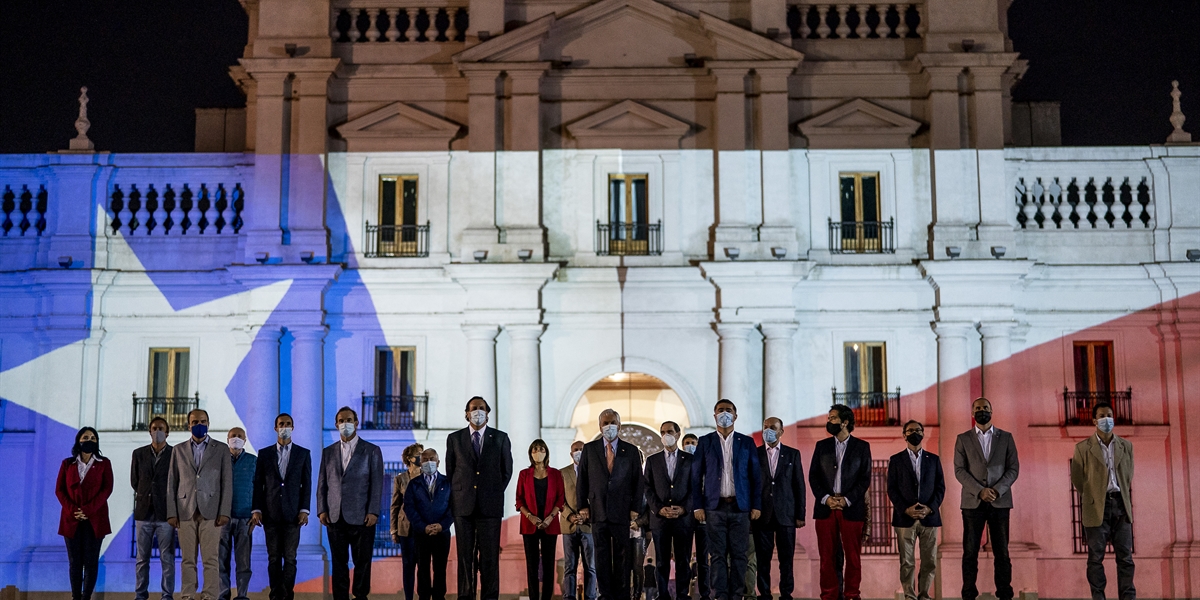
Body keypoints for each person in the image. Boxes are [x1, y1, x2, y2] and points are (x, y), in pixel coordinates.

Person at [690, 400, 761, 600]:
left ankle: (737, 594)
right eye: (720, 410)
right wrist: (697, 506)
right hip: (714, 507)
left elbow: (755, 476)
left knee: (740, 555)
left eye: (728, 410)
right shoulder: (705, 442)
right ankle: (720, 595)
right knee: (718, 555)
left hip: (741, 508)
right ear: (714, 416)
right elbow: (696, 477)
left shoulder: (746, 442)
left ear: (735, 416)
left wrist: (756, 505)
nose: (724, 414)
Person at [445, 397, 514, 600]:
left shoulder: (500, 438)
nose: (478, 412)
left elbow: (506, 471)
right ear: (466, 413)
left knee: (489, 558)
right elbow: (451, 472)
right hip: (463, 507)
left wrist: (491, 492)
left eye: (481, 408)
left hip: (490, 507)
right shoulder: (454, 439)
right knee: (465, 558)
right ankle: (465, 596)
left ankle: (490, 597)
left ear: (488, 413)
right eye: (474, 409)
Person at [953, 397, 1020, 600]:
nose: (982, 410)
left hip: (1000, 501)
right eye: (978, 408)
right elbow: (959, 470)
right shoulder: (963, 438)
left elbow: (1013, 469)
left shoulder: (1006, 437)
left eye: (986, 407)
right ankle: (968, 594)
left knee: (1002, 552)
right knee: (970, 552)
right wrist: (980, 490)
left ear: (992, 411)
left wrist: (997, 490)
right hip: (973, 502)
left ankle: (1004, 593)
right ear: (972, 413)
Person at [318, 406, 385, 600]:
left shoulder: (372, 450)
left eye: (349, 420)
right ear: (336, 424)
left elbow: (377, 484)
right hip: (334, 516)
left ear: (356, 423)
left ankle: (360, 596)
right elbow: (322, 482)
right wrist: (322, 509)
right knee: (338, 562)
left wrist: (373, 511)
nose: (345, 424)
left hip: (362, 516)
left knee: (362, 561)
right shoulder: (328, 452)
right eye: (341, 420)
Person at [578, 409, 645, 600]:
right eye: (605, 422)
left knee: (623, 557)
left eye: (613, 422)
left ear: (619, 425)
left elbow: (638, 482)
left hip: (622, 512)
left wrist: (635, 509)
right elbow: (582, 479)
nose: (609, 426)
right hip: (597, 511)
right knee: (601, 557)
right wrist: (583, 506)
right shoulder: (589, 450)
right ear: (600, 426)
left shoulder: (630, 451)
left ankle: (622, 594)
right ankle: (606, 594)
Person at [1070, 402, 1135, 600]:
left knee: (1126, 558)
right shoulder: (1082, 448)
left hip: (1121, 506)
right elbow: (1078, 479)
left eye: (1109, 415)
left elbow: (1128, 475)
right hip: (1096, 507)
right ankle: (1098, 597)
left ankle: (1128, 597)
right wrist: (1093, 496)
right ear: (1094, 420)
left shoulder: (1126, 446)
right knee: (1095, 558)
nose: (1106, 419)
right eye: (1102, 415)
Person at [167, 409, 233, 600]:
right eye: (195, 422)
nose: (199, 425)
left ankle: (210, 596)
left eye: (202, 421)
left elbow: (226, 483)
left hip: (211, 511)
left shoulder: (221, 449)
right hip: (185, 510)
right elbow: (172, 482)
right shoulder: (178, 450)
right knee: (187, 559)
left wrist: (224, 511)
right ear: (188, 425)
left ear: (209, 424)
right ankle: (187, 595)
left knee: (211, 559)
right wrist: (172, 512)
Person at [809, 404, 871, 600]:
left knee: (853, 557)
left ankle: (852, 594)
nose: (829, 421)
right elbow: (813, 477)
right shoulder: (822, 446)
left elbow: (865, 479)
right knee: (827, 558)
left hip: (851, 509)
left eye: (833, 418)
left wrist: (847, 500)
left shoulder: (862, 447)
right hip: (825, 509)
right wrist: (827, 499)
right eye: (829, 418)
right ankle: (829, 595)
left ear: (845, 422)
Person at [251, 413, 312, 600]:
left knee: (291, 559)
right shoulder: (264, 454)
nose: (284, 427)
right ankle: (276, 595)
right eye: (281, 424)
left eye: (287, 424)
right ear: (275, 428)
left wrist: (304, 510)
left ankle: (287, 595)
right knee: (274, 558)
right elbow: (258, 484)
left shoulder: (303, 454)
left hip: (294, 515)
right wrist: (257, 510)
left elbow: (307, 484)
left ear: (292, 427)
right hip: (271, 514)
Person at [886, 420, 945, 600]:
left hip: (930, 518)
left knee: (929, 561)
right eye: (910, 430)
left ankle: (924, 595)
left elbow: (940, 487)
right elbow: (891, 489)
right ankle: (909, 596)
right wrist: (905, 509)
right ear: (904, 435)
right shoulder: (896, 460)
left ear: (923, 433)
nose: (915, 433)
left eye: (918, 430)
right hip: (905, 519)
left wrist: (930, 508)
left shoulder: (933, 459)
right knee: (907, 562)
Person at [56, 426, 113, 600]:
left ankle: (86, 597)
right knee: (75, 562)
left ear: (97, 442)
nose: (89, 441)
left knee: (91, 562)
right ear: (78, 440)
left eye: (93, 438)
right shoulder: (67, 464)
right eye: (85, 437)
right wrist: (74, 510)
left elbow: (106, 489)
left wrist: (87, 510)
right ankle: (76, 596)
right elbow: (59, 490)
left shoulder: (104, 463)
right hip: (71, 519)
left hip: (95, 519)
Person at [754, 417, 806, 600]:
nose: (768, 430)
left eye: (773, 427)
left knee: (786, 560)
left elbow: (799, 485)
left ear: (781, 432)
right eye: (765, 427)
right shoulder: (756, 454)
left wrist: (800, 514)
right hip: (762, 515)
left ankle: (786, 594)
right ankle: (765, 594)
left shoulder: (792, 454)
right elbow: (751, 484)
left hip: (786, 515)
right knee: (763, 560)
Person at [644, 421, 694, 600]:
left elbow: (695, 487)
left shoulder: (689, 460)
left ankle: (682, 594)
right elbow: (647, 488)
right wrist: (659, 509)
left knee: (683, 560)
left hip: (683, 519)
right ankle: (662, 595)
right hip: (660, 519)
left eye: (670, 431)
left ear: (678, 434)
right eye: (663, 432)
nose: (667, 435)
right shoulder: (652, 460)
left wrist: (684, 508)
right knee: (661, 561)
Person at [132, 417, 176, 600]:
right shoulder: (138, 453)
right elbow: (135, 481)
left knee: (167, 558)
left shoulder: (175, 453)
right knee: (142, 559)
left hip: (165, 513)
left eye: (161, 428)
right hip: (144, 513)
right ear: (149, 431)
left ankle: (167, 595)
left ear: (167, 432)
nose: (157, 431)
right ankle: (140, 594)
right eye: (154, 428)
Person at [517, 439, 566, 600]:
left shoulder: (556, 474)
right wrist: (530, 517)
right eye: (534, 449)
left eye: (541, 448)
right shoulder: (524, 474)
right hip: (529, 524)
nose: (538, 452)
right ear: (530, 453)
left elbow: (560, 499)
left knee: (548, 565)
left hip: (550, 524)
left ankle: (546, 598)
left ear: (546, 452)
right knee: (531, 566)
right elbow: (519, 500)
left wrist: (550, 517)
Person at [404, 448, 454, 600]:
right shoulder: (414, 484)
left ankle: (439, 596)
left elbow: (453, 507)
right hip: (421, 534)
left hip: (442, 534)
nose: (428, 462)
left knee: (440, 568)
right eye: (425, 459)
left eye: (432, 459)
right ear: (421, 462)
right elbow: (409, 507)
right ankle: (424, 597)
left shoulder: (448, 482)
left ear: (438, 462)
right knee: (422, 568)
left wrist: (442, 525)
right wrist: (422, 526)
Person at [219, 428, 256, 600]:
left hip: (245, 518)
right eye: (233, 436)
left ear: (245, 440)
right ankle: (222, 594)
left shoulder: (253, 461)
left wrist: (256, 512)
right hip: (222, 518)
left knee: (243, 561)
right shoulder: (219, 461)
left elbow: (259, 490)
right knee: (221, 560)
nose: (236, 439)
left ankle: (242, 595)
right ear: (227, 439)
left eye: (239, 436)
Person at [560, 440, 598, 600]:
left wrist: (586, 514)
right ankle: (569, 596)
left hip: (588, 526)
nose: (578, 452)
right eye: (575, 449)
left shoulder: (595, 472)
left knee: (591, 567)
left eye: (581, 449)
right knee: (570, 566)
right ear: (571, 453)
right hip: (569, 525)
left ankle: (590, 596)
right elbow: (559, 498)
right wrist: (570, 515)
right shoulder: (562, 473)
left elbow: (597, 497)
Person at [390, 443, 425, 600]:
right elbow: (395, 505)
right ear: (410, 458)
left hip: (423, 527)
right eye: (419, 454)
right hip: (405, 528)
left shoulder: (427, 476)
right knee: (408, 566)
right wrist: (393, 530)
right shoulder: (400, 479)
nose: (422, 456)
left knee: (423, 566)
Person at [681, 434, 709, 600]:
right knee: (683, 558)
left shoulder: (705, 463)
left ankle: (705, 594)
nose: (690, 445)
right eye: (687, 443)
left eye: (693, 443)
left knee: (703, 559)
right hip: (684, 517)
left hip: (702, 517)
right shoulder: (681, 464)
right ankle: (683, 593)